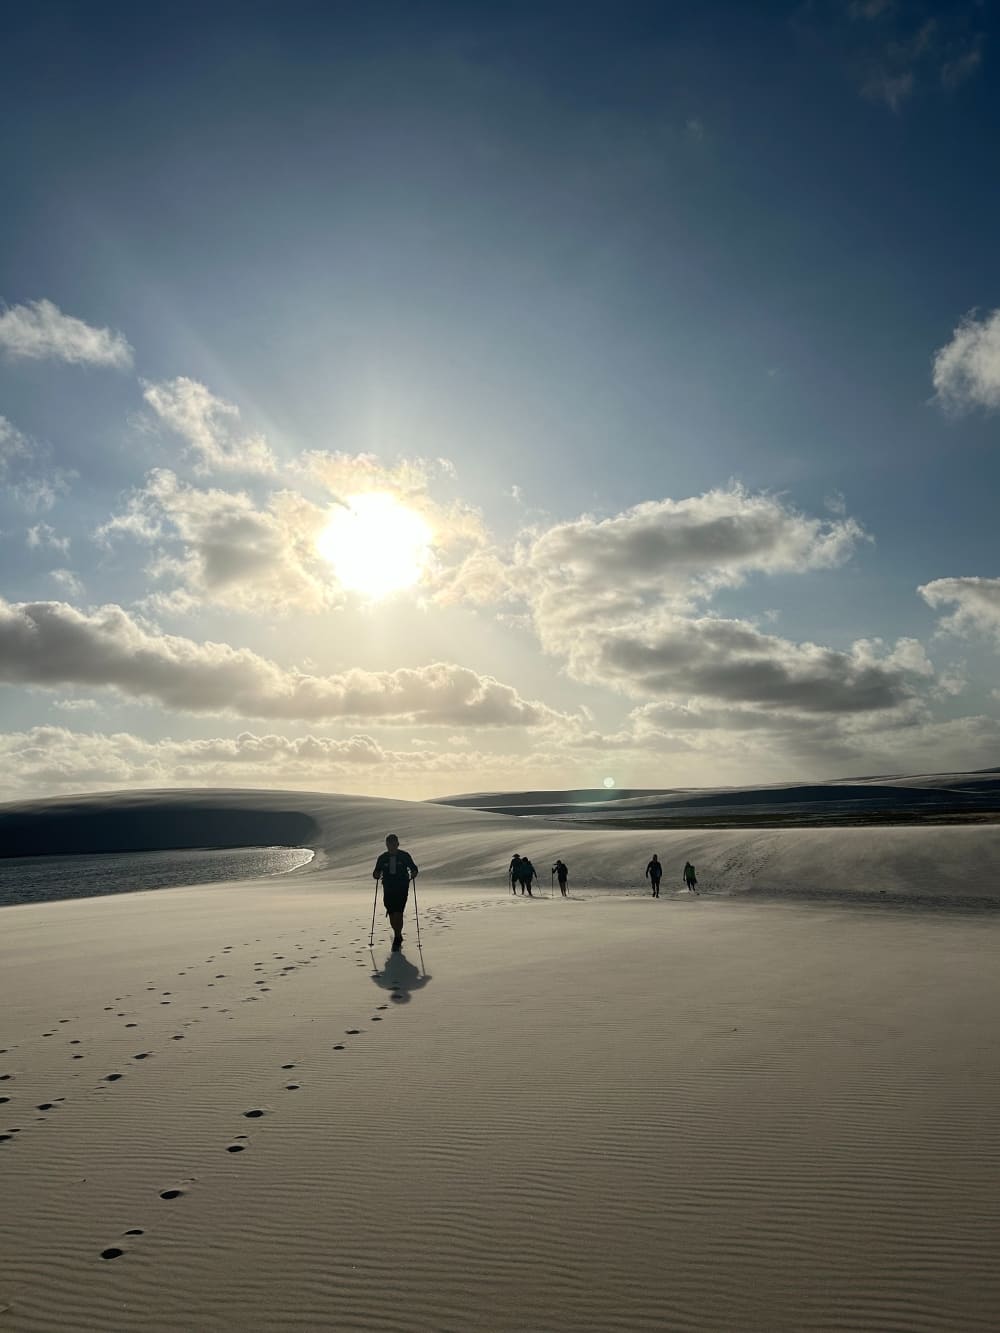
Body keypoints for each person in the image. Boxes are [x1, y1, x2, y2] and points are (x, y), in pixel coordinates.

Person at [373, 833, 418, 951]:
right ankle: (397, 933)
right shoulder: (382, 858)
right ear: (386, 845)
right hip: (388, 888)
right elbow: (376, 872)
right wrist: (376, 875)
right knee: (392, 914)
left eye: (393, 844)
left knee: (398, 912)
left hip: (402, 887)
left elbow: (414, 868)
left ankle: (397, 938)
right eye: (389, 844)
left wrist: (414, 872)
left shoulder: (404, 856)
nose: (391, 846)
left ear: (397, 844)